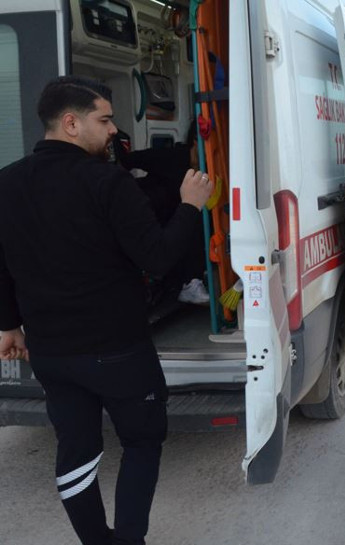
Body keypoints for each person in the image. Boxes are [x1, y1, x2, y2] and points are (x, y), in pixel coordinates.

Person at [0, 76, 213, 545]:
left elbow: (2, 264)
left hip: (51, 353)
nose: (113, 130)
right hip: (118, 349)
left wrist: (9, 325)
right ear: (72, 123)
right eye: (105, 119)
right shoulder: (107, 182)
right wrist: (189, 206)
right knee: (141, 442)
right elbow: (157, 259)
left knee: (76, 452)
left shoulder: (6, 182)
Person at [114, 123, 209, 305]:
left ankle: (191, 278)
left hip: (173, 211)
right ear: (196, 142)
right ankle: (189, 283)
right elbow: (128, 160)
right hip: (151, 208)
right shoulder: (171, 157)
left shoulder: (209, 168)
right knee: (193, 221)